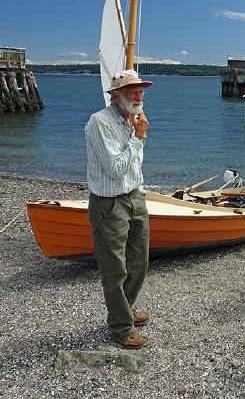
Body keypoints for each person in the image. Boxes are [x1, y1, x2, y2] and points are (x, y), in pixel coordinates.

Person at [85, 69, 153, 349]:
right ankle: (121, 328)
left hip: (135, 197)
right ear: (116, 95)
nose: (138, 96)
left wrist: (137, 133)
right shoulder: (100, 122)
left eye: (140, 91)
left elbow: (133, 166)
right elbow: (115, 169)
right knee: (115, 269)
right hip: (110, 203)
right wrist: (139, 136)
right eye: (132, 91)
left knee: (139, 262)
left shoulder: (131, 120)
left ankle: (126, 307)